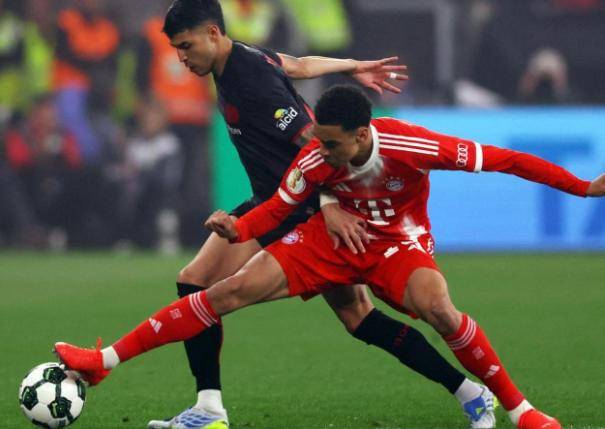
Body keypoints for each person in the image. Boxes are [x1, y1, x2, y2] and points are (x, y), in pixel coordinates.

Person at [54, 85, 605, 429]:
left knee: (439, 308)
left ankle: (520, 411)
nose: (320, 151)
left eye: (332, 143)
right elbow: (276, 209)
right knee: (226, 292)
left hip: (396, 242)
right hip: (328, 241)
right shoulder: (316, 160)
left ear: (363, 135)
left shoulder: (412, 145)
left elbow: (507, 160)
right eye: (318, 140)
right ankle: (103, 363)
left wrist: (582, 188)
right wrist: (238, 227)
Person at [57, 1, 496, 428]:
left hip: (303, 207)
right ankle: (208, 409)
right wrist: (351, 65)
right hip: (272, 200)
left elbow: (314, 143)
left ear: (213, 33)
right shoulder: (242, 57)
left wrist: (328, 205)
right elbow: (298, 65)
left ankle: (468, 391)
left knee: (359, 316)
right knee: (195, 280)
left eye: (186, 46)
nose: (181, 58)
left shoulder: (250, 79)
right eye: (176, 48)